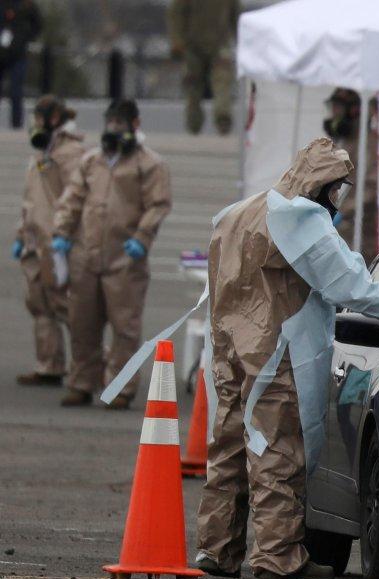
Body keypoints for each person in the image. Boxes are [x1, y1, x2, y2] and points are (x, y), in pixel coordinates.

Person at [193, 138, 379, 579]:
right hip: (273, 353)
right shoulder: (299, 220)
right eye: (337, 190)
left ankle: (218, 548)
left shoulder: (240, 212)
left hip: (228, 350)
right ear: (322, 186)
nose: (338, 201)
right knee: (276, 453)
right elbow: (352, 287)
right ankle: (277, 555)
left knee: (230, 448)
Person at [53, 99, 171, 410]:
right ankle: (81, 383)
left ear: (135, 124)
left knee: (124, 327)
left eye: (121, 124)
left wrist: (142, 238)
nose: (115, 130)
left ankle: (120, 387)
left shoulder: (149, 163)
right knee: (83, 323)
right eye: (111, 123)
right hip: (86, 256)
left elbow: (158, 204)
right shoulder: (92, 161)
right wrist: (62, 233)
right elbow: (72, 198)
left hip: (125, 260)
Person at [13, 95, 84, 387]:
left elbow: (77, 196)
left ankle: (93, 365)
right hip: (34, 239)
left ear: (54, 119)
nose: (35, 126)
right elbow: (32, 199)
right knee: (39, 303)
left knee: (67, 306)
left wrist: (65, 235)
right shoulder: (42, 153)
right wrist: (21, 234)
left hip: (56, 241)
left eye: (39, 120)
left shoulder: (71, 153)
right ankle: (49, 364)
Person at [323, 88, 379, 262]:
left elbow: (371, 187)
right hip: (340, 230)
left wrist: (341, 211)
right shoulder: (342, 141)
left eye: (338, 108)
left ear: (355, 110)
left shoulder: (369, 144)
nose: (334, 114)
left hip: (360, 231)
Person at [168, 0, 240, 135]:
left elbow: (236, 16)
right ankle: (194, 120)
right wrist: (177, 41)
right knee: (194, 84)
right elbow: (176, 14)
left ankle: (221, 117)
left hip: (218, 44)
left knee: (221, 80)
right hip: (193, 46)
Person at [0, 0, 41, 129]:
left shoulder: (26, 4)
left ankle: (16, 124)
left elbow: (38, 24)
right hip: (1, 53)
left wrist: (24, 38)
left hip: (18, 54)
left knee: (16, 90)